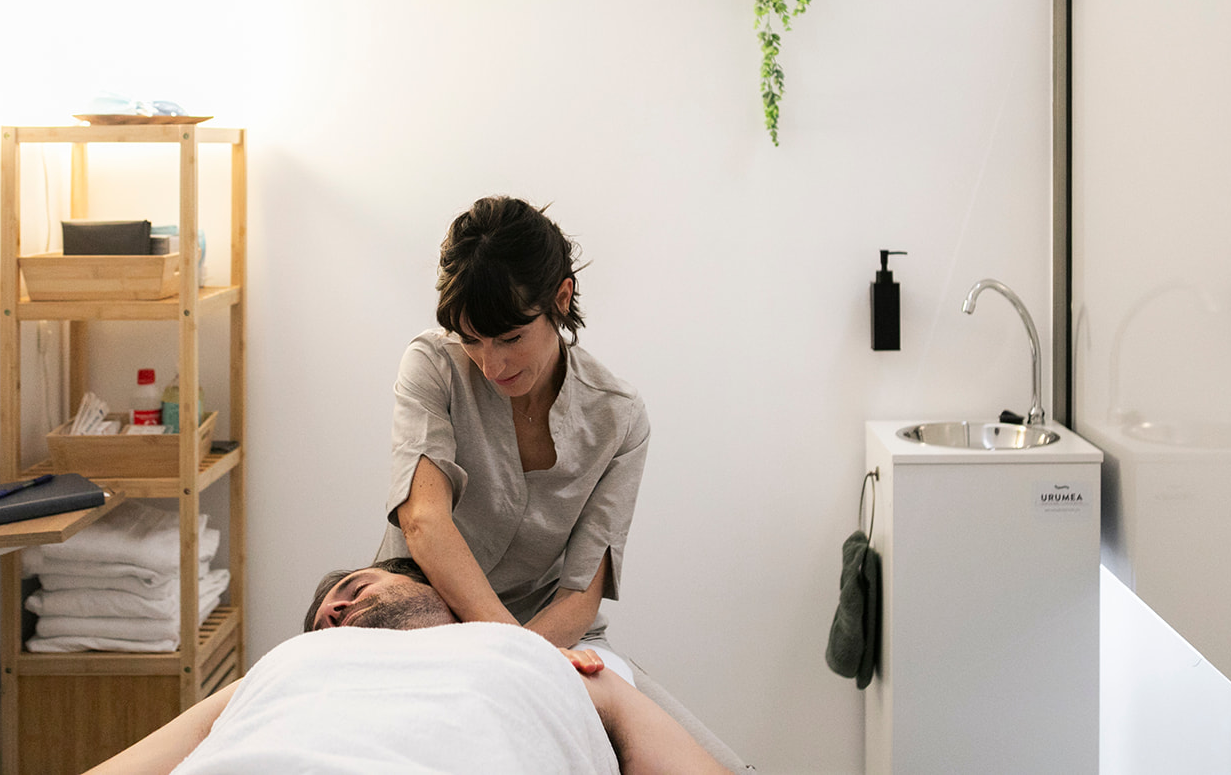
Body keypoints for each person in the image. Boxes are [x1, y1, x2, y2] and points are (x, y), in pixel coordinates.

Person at [378, 197, 748, 771]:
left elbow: (580, 595)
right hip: (422, 617)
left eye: (509, 338)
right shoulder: (433, 364)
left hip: (558, 636)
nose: (490, 365)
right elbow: (424, 522)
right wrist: (512, 658)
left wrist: (528, 657)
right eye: (472, 340)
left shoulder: (619, 417)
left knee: (717, 763)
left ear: (561, 298)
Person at [83, 562, 729, 775]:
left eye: (355, 587)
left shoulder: (546, 658)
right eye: (325, 616)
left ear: (432, 588)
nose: (334, 608)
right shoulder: (285, 665)